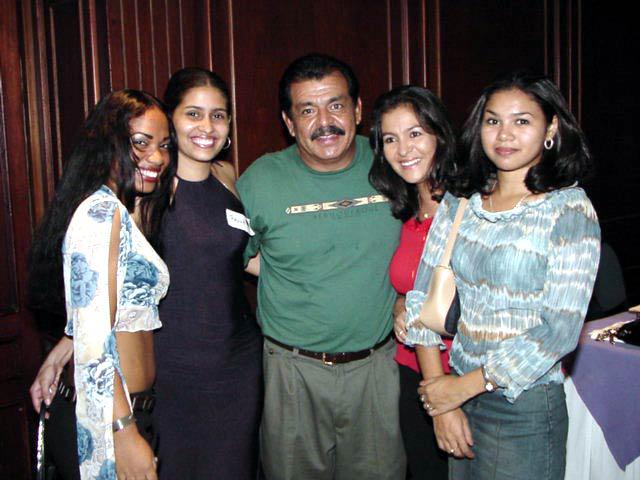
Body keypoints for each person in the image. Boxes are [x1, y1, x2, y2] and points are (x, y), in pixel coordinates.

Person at [405, 71, 601, 479]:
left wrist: (465, 386)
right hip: (456, 392)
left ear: (551, 128)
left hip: (523, 407)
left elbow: (559, 331)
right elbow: (422, 299)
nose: (504, 134)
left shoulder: (568, 209)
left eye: (521, 121)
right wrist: (442, 402)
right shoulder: (462, 200)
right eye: (493, 121)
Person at [236, 53, 406, 479]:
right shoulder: (260, 180)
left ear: (358, 110)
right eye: (307, 110)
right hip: (293, 372)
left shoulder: (393, 162)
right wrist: (291, 274)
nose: (324, 122)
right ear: (289, 122)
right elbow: (235, 255)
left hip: (376, 368)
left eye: (336, 105)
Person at [29, 89, 174, 479]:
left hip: (125, 411)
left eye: (164, 145)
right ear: (108, 143)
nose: (157, 157)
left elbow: (102, 312)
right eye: (141, 143)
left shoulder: (119, 208)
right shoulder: (100, 212)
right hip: (107, 420)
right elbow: (95, 337)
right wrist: (122, 432)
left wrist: (62, 347)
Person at [153, 67, 262, 479]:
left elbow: (242, 258)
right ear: (171, 118)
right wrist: (71, 340)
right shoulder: (151, 188)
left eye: (218, 115)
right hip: (174, 367)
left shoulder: (226, 175)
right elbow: (113, 276)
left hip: (238, 362)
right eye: (193, 114)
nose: (207, 127)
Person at [369, 85, 456, 479]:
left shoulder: (471, 207)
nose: (403, 149)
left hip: (464, 379)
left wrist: (447, 398)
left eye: (415, 133)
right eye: (390, 139)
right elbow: (412, 283)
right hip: (411, 371)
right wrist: (400, 303)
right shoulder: (403, 211)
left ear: (439, 134)